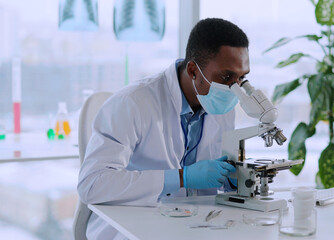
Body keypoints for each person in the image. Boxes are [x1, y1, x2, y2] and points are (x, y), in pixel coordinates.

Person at [77, 18, 250, 239]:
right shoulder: (133, 103)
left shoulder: (223, 106)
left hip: (191, 225)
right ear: (193, 71)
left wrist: (233, 180)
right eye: (226, 77)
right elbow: (92, 185)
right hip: (130, 227)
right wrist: (180, 178)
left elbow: (213, 181)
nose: (234, 88)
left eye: (241, 78)